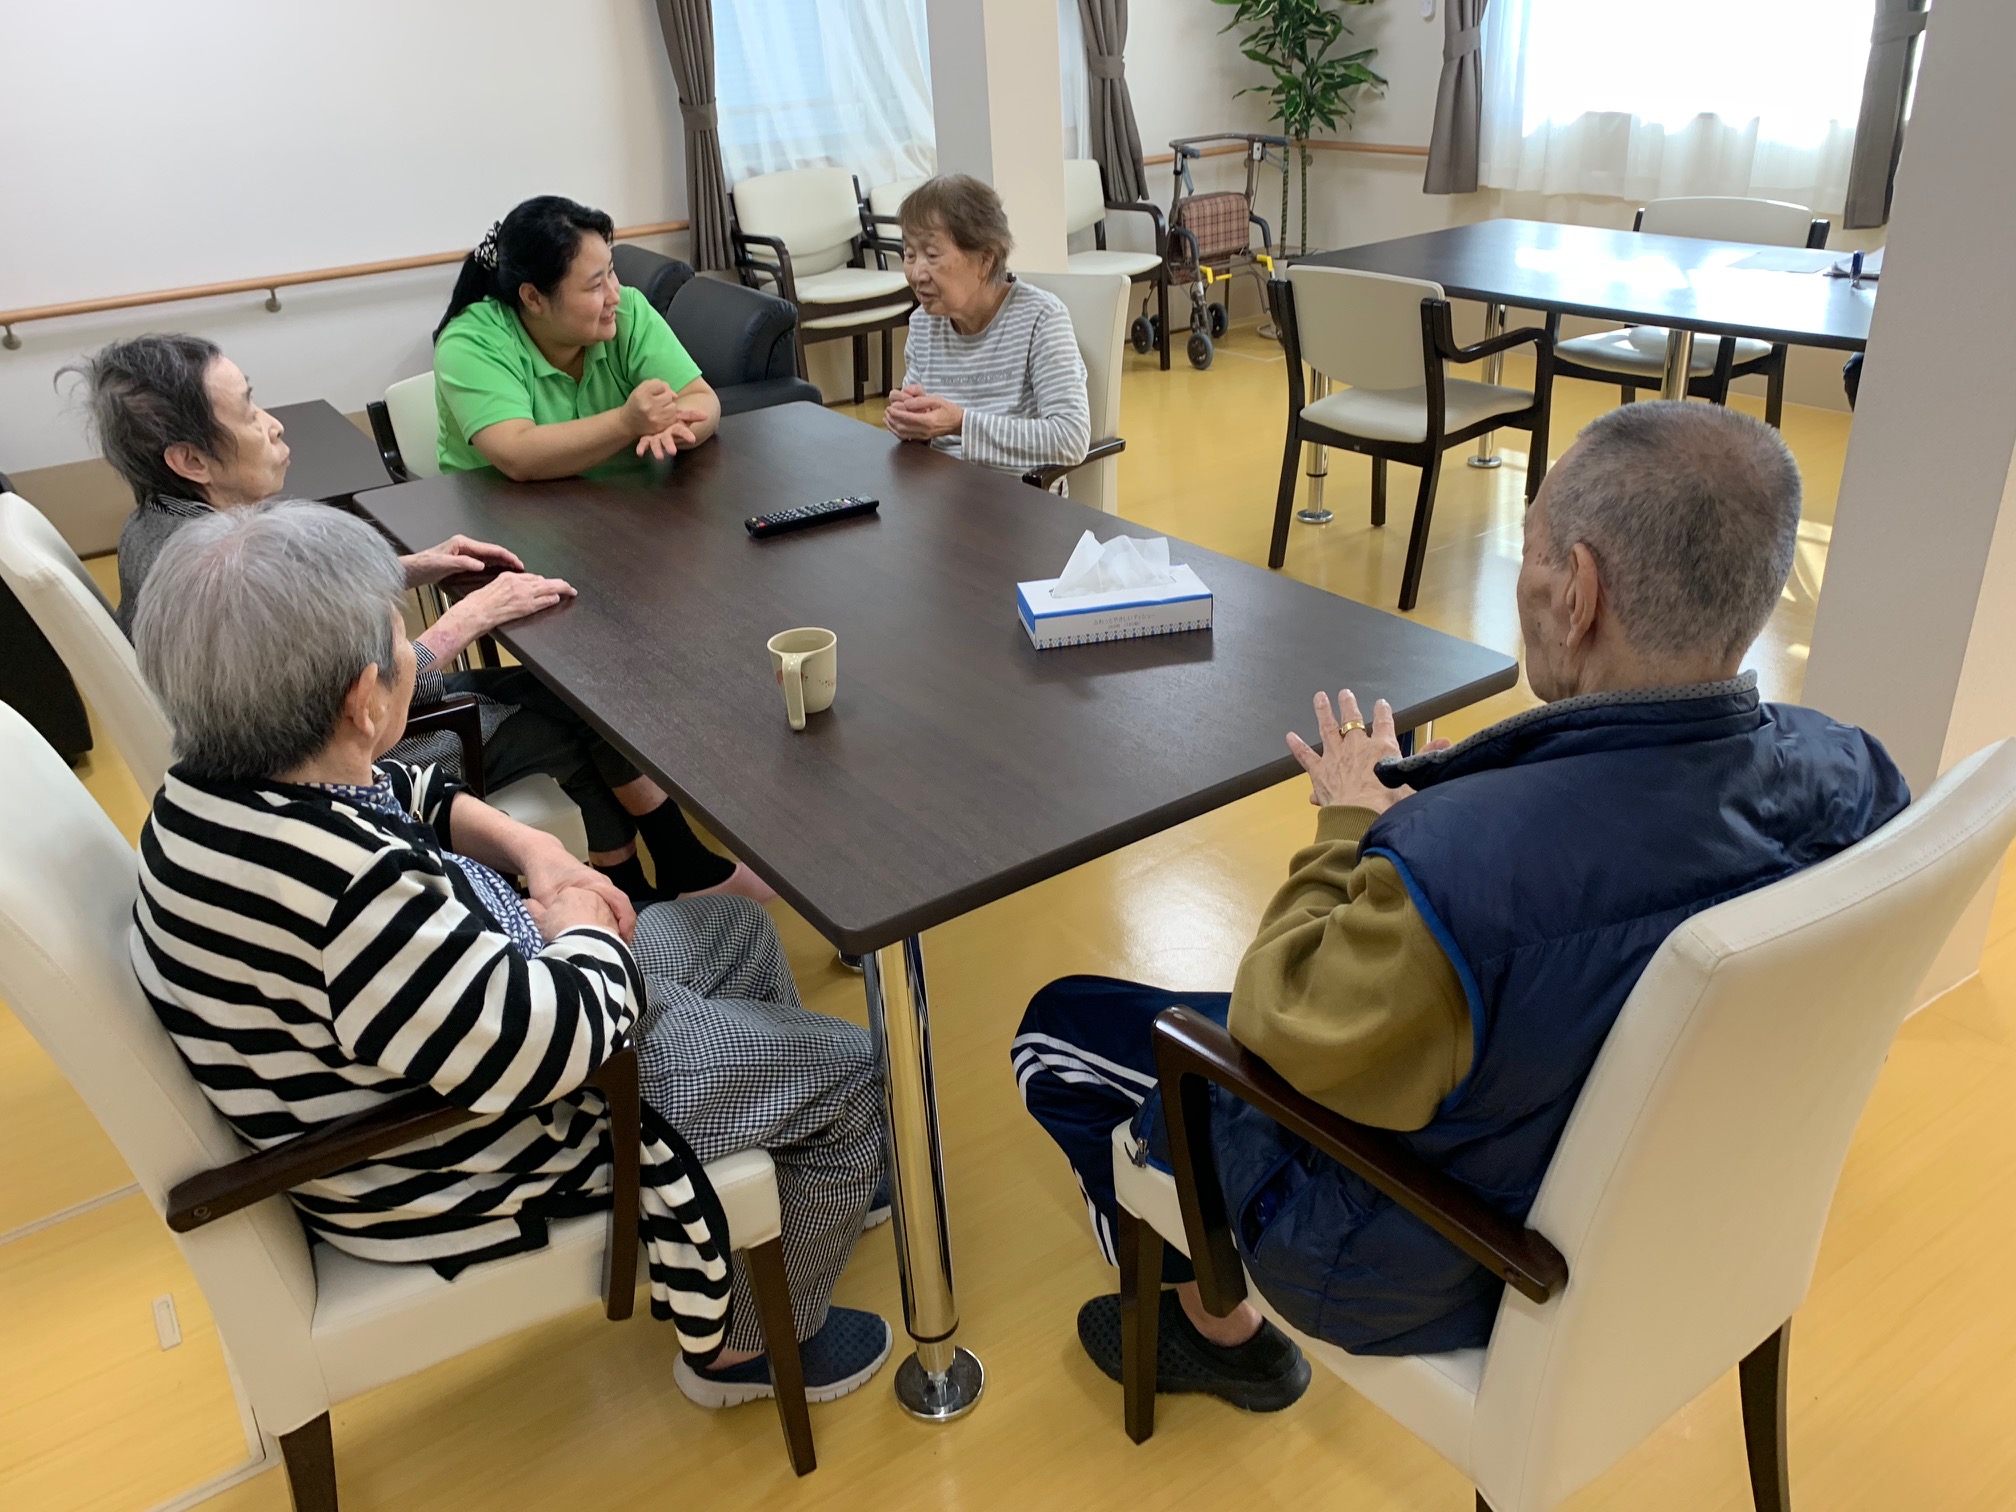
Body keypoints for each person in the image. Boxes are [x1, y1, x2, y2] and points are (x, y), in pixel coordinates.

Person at [1013, 401, 1910, 1408]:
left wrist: (1355, 830)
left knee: (1058, 1031)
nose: (1524, 576)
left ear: (1578, 594)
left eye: (1531, 549)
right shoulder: (1858, 777)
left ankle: (1208, 1321)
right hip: (1673, 1214)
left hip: (1436, 1254)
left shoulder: (1462, 875)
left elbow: (1279, 1023)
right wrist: (1454, 820)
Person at [129, 500, 894, 1405]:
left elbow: (405, 789)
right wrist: (578, 923)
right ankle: (745, 1346)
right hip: (484, 1145)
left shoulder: (219, 787)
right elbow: (556, 1046)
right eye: (405, 646)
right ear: (362, 703)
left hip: (461, 1026)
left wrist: (537, 852)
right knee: (855, 1069)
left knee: (735, 930)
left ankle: (789, 1148)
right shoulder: (351, 897)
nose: (416, 656)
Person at [70, 332, 763, 907]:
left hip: (305, 732)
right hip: (341, 750)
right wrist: (467, 618)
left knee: (565, 690)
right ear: (189, 459)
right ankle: (637, 882)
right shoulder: (201, 569)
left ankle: (657, 864)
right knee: (564, 717)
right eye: (249, 412)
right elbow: (353, 701)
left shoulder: (164, 527)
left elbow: (290, 606)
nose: (273, 424)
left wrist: (415, 566)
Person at [434, 195, 720, 480]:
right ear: (534, 298)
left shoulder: (627, 312)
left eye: (611, 272)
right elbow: (517, 454)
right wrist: (626, 423)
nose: (614, 295)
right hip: (499, 503)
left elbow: (699, 397)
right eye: (595, 285)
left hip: (620, 499)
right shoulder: (471, 341)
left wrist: (675, 428)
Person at [884, 175, 1091, 482]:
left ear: (985, 260)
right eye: (909, 255)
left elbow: (1071, 438)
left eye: (931, 255)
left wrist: (961, 423)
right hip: (942, 490)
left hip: (1019, 499)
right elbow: (924, 434)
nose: (916, 274)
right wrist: (911, 422)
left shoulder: (1041, 318)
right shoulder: (924, 323)